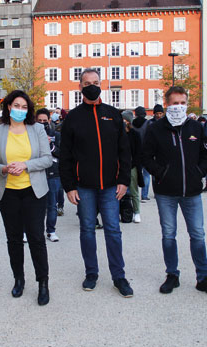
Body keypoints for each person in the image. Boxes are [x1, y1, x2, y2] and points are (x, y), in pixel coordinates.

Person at [141, 86, 207, 298]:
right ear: (167, 103)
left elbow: (206, 155)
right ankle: (172, 275)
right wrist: (161, 173)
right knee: (169, 234)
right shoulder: (156, 128)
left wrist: (199, 172)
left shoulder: (196, 127)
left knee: (197, 234)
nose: (178, 107)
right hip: (166, 192)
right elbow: (146, 156)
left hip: (192, 191)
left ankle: (203, 277)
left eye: (182, 103)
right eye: (174, 103)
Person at [60, 68, 133, 297]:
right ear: (80, 86)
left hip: (111, 185)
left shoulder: (112, 114)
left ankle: (119, 276)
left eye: (95, 81)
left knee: (113, 230)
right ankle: (91, 273)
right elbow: (66, 156)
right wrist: (69, 186)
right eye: (87, 82)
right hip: (84, 186)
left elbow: (124, 151)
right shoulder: (72, 117)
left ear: (101, 84)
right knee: (87, 230)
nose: (91, 85)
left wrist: (123, 181)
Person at [0, 90, 52, 306]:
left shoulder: (37, 129)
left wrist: (26, 165)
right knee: (14, 239)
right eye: (16, 106)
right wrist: (5, 168)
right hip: (8, 193)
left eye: (24, 107)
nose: (20, 110)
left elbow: (47, 159)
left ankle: (43, 282)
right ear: (8, 107)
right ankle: (19, 279)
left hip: (33, 192)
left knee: (36, 237)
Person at [36, 108, 61, 241]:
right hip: (36, 174)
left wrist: (50, 144)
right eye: (39, 121)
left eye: (44, 121)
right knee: (34, 206)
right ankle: (31, 231)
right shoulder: (30, 135)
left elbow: (61, 152)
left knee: (52, 204)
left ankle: (51, 231)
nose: (42, 123)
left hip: (53, 174)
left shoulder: (55, 134)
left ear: (49, 121)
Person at [122, 110, 143, 223]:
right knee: (119, 191)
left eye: (124, 120)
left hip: (132, 166)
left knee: (133, 190)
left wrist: (134, 163)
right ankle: (122, 211)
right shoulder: (118, 133)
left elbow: (139, 152)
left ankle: (137, 212)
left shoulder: (135, 134)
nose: (123, 122)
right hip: (120, 166)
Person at [132, 106, 150, 202]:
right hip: (146, 152)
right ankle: (144, 195)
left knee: (134, 174)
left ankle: (133, 194)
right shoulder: (148, 124)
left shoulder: (132, 124)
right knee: (146, 175)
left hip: (135, 153)